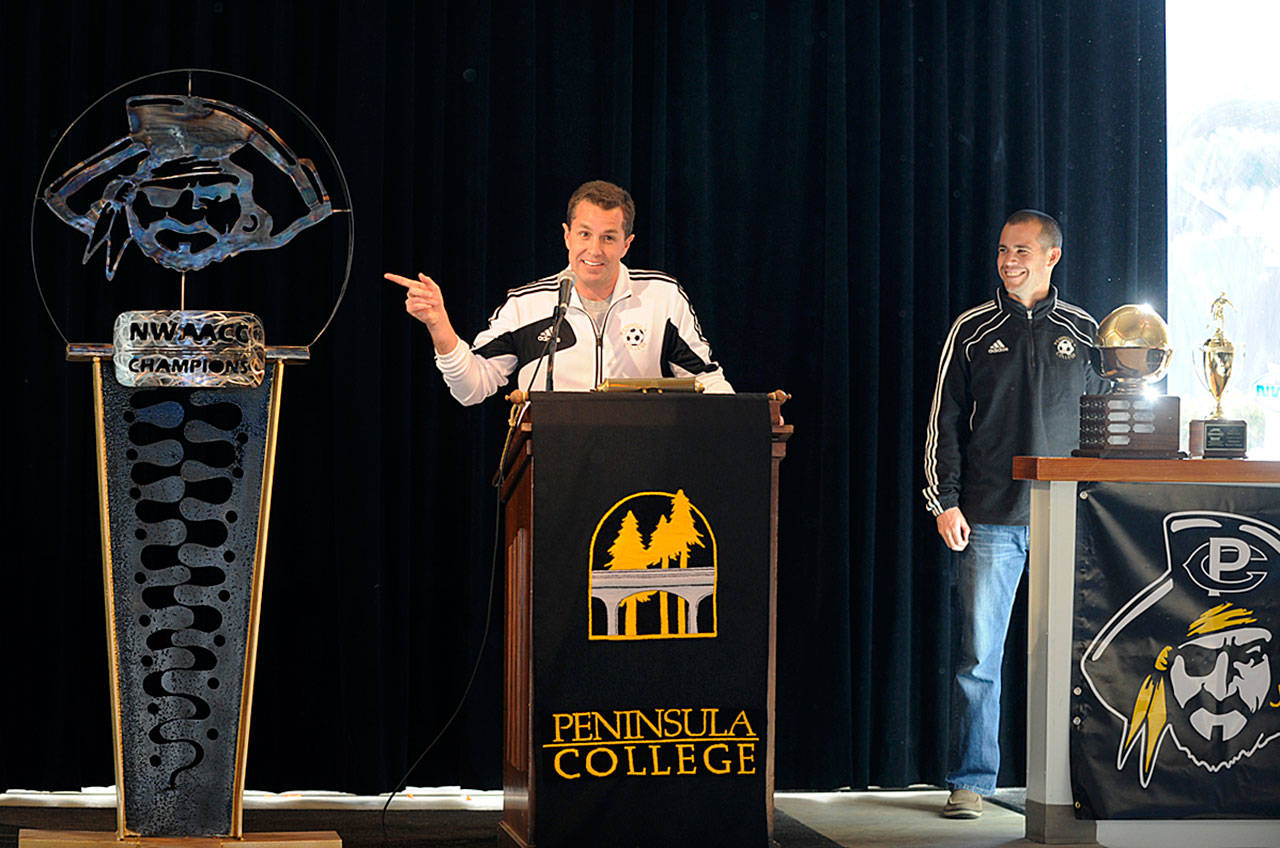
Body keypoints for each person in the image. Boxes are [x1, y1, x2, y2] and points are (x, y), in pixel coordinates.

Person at [922, 210, 1104, 819]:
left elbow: (1108, 421)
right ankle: (971, 779)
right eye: (1003, 250)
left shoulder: (1084, 331)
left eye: (1021, 250)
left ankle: (1079, 780)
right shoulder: (972, 329)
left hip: (1069, 522)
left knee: (1081, 658)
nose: (1008, 261)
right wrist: (944, 500)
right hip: (989, 517)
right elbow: (942, 422)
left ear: (1052, 256)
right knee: (980, 657)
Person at [386, 180, 731, 404]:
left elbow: (707, 381)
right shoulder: (527, 305)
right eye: (584, 234)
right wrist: (438, 325)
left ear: (627, 244)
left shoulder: (662, 297)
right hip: (551, 477)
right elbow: (471, 388)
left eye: (608, 237)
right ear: (567, 235)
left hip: (639, 476)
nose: (594, 250)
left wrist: (752, 422)